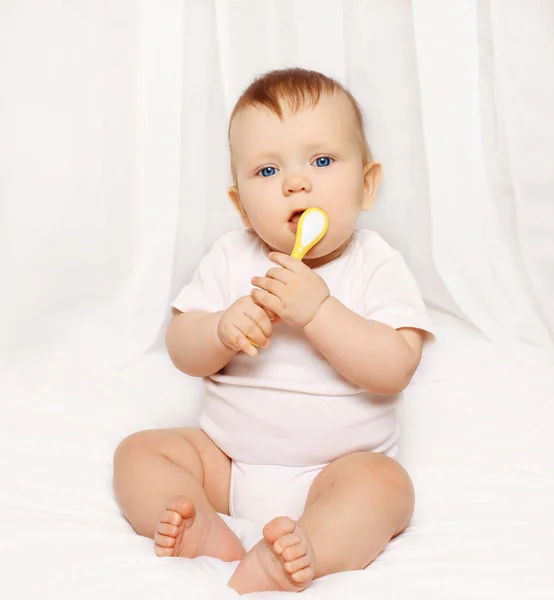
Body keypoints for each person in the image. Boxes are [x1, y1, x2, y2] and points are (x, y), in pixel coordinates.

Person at [113, 67, 435, 594]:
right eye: (266, 170)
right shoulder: (229, 258)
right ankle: (208, 532)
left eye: (323, 160)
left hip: (336, 471)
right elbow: (181, 347)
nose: (296, 182)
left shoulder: (374, 264)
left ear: (367, 185)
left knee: (386, 488)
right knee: (138, 454)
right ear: (240, 204)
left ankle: (302, 552)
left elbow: (396, 367)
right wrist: (218, 329)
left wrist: (319, 313)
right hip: (230, 462)